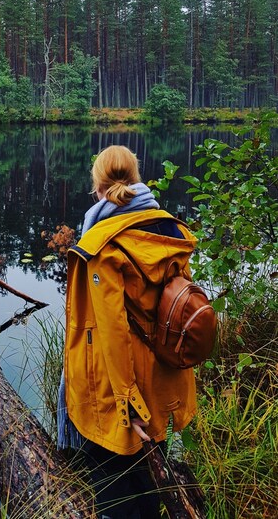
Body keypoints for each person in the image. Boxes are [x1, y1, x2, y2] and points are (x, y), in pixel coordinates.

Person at [57, 145, 197, 519]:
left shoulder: (101, 244)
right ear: (135, 177)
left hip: (117, 390)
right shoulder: (169, 227)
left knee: (113, 489)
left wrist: (127, 404)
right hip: (164, 380)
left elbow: (111, 334)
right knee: (149, 479)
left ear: (97, 185)